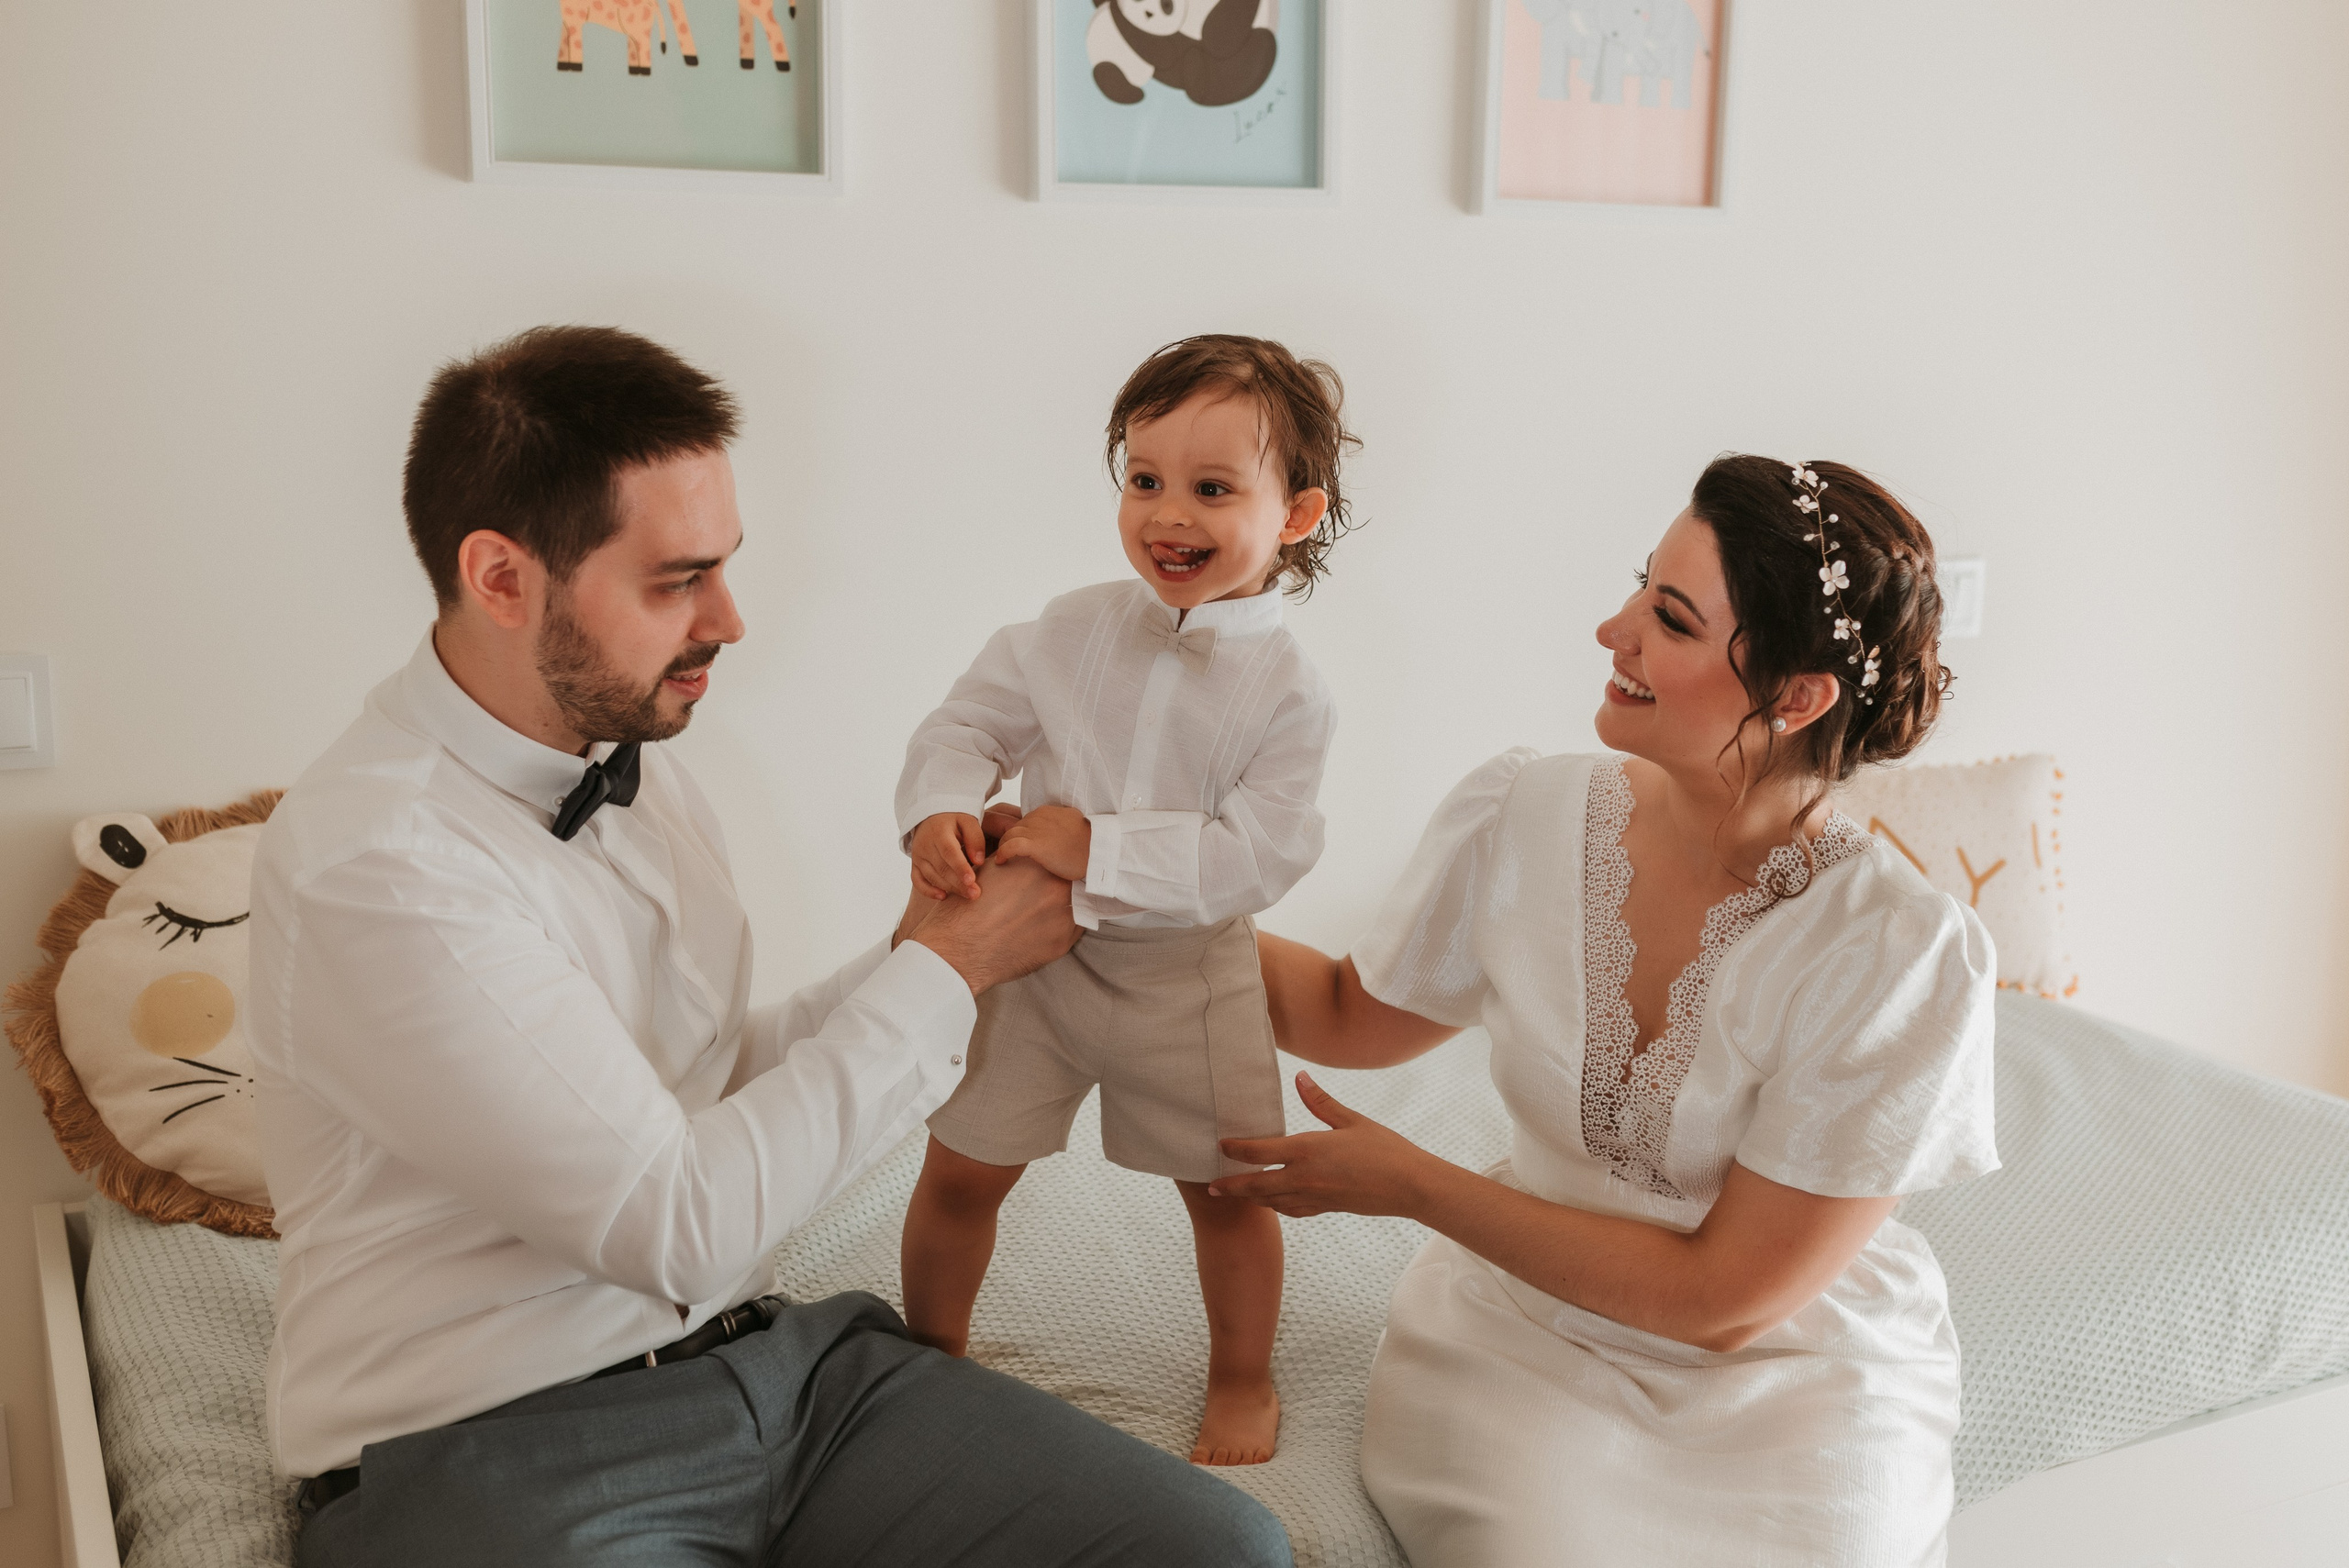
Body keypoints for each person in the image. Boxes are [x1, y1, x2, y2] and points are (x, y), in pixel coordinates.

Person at [246, 324, 1293, 1567]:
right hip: (488, 1442)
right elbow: (676, 1220)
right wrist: (945, 974)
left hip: (777, 1376)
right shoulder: (381, 865)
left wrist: (924, 946)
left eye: (725, 567)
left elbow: (700, 1083)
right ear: (502, 578)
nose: (732, 620)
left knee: (1225, 1551)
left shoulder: (643, 771)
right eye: (677, 579)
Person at [1212, 455, 1998, 1566]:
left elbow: (1726, 1298)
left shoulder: (1898, 951)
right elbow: (1351, 1011)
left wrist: (1413, 1185)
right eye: (1641, 586)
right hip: (1529, 1333)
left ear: (1795, 695)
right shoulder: (1524, 811)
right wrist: (1119, 903)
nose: (1610, 628)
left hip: (1797, 1369)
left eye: (1668, 619)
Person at [894, 334, 1351, 1466]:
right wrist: (942, 809)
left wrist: (1097, 845)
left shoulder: (1292, 692)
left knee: (1232, 1192)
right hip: (1032, 955)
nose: (1166, 513)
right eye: (1142, 479)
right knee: (957, 1168)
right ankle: (925, 1355)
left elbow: (1260, 853)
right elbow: (964, 726)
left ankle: (1241, 1375)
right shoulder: (1068, 627)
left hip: (1187, 974)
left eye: (1210, 488)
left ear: (1294, 515)